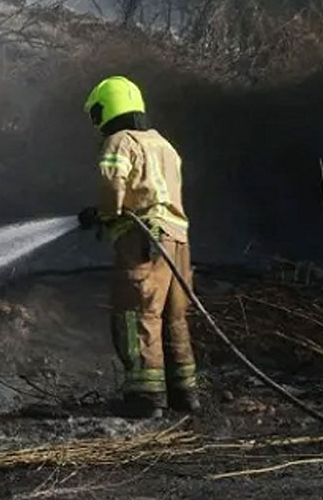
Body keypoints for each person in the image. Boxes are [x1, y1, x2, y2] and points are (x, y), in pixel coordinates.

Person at [77, 75, 199, 419]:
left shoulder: (118, 142)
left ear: (106, 108)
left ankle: (145, 397)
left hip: (143, 239)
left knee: (137, 314)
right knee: (174, 316)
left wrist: (103, 214)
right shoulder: (164, 144)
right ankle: (185, 392)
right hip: (178, 240)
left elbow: (112, 186)